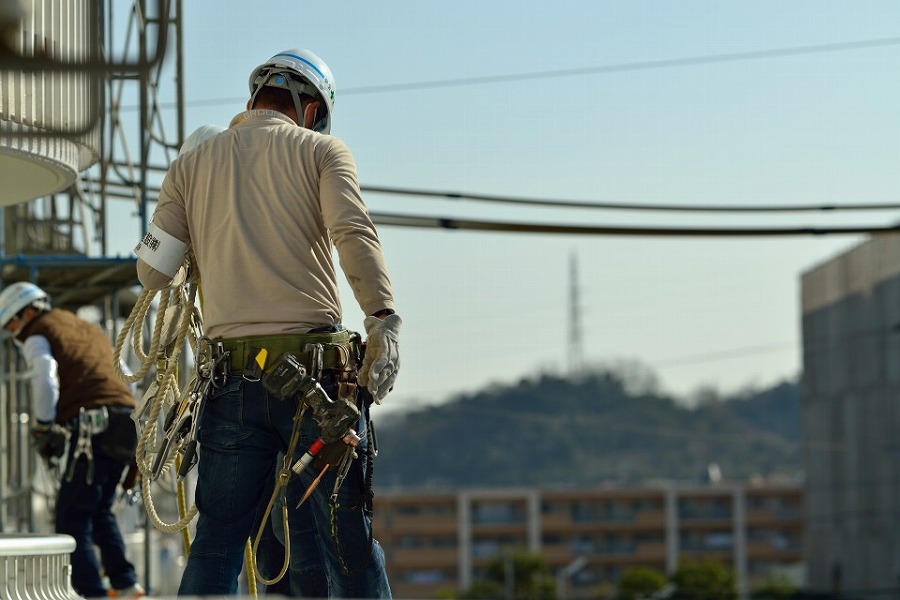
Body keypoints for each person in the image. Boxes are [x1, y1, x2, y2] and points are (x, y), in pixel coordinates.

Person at [134, 48, 401, 598]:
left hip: (231, 383)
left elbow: (152, 272)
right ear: (310, 110)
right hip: (316, 384)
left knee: (219, 542)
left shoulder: (191, 165)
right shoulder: (323, 151)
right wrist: (383, 319)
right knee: (342, 540)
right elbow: (353, 234)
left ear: (252, 100)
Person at [0, 282, 143, 598]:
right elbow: (123, 376)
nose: (11, 332)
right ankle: (126, 585)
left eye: (11, 322)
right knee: (100, 509)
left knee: (71, 517)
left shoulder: (39, 331)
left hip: (92, 426)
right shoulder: (88, 330)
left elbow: (44, 375)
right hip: (124, 421)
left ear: (28, 312)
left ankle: (90, 593)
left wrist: (44, 425)